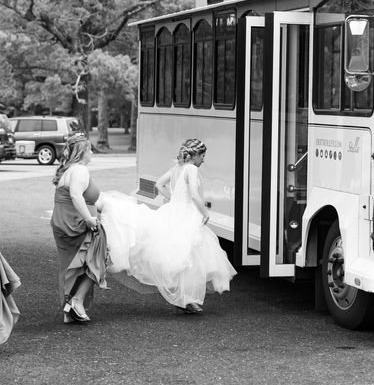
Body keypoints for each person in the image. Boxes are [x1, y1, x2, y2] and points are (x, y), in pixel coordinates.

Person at [100, 138, 237, 314]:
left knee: (182, 256)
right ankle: (186, 298)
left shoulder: (176, 168)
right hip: (187, 214)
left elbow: (159, 185)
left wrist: (173, 199)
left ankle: (185, 299)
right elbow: (194, 195)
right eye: (203, 156)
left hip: (173, 212)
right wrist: (205, 213)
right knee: (190, 257)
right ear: (195, 156)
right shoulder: (192, 169)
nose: (204, 160)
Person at [50, 133, 107, 324]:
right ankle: (77, 300)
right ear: (83, 152)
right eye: (90, 149)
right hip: (76, 223)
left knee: (71, 266)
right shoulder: (80, 170)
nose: (92, 153)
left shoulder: (67, 170)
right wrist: (90, 219)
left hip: (63, 222)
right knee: (98, 257)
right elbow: (75, 196)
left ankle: (69, 310)